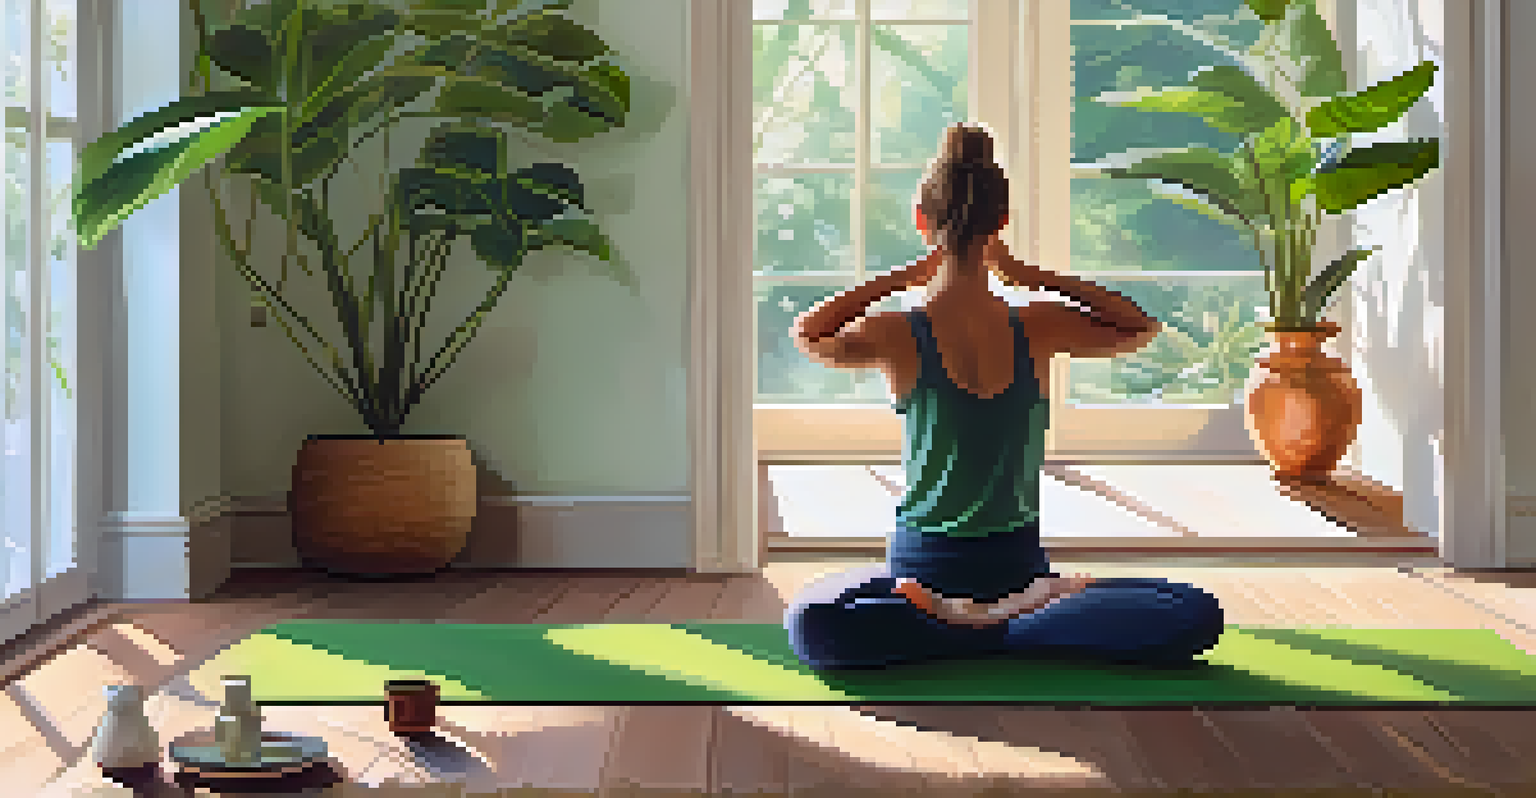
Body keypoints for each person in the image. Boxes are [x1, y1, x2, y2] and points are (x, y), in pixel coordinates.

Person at [782, 123, 1226, 671]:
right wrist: (1031, 274)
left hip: (922, 577)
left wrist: (898, 278)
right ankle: (1016, 625)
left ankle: (953, 624)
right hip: (1019, 575)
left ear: (923, 222)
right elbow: (1140, 327)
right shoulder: (1037, 324)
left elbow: (808, 333)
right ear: (1001, 222)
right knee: (1193, 613)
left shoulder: (899, 331)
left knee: (815, 621)